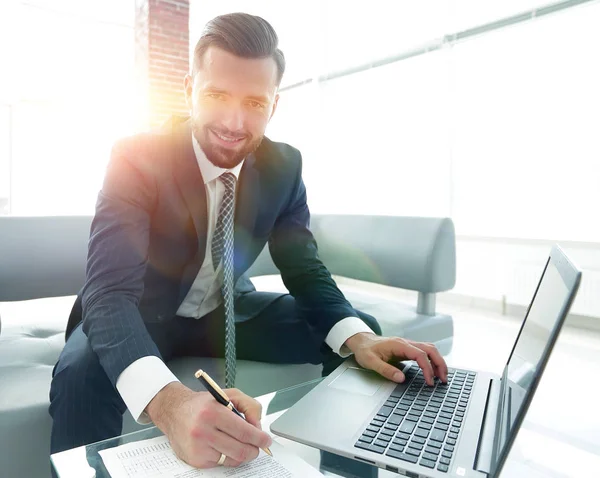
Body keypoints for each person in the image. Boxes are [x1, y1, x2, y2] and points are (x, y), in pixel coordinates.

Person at [49, 12, 448, 470]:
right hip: (137, 310)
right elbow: (109, 290)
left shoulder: (284, 166)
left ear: (273, 105)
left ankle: (349, 469)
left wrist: (355, 335)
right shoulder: (136, 157)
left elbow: (303, 267)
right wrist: (168, 402)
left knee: (359, 335)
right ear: (188, 91)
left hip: (225, 311)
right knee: (80, 372)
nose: (234, 122)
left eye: (254, 103)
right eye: (217, 95)